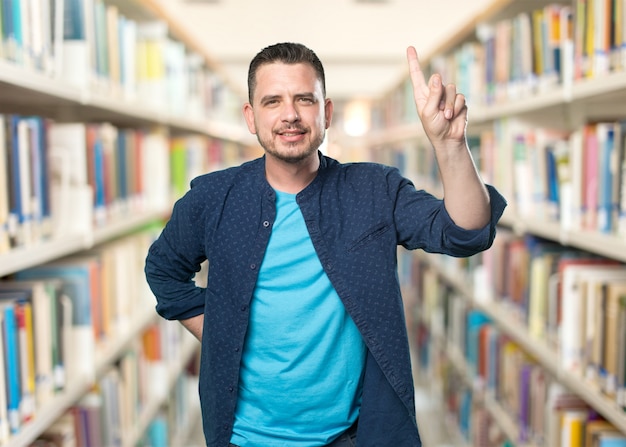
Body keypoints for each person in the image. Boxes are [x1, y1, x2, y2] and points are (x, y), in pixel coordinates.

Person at [144, 42, 506, 447]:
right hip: (243, 438)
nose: (290, 115)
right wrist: (218, 332)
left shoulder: (374, 189)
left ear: (326, 112)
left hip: (351, 436)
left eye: (304, 99)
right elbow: (163, 270)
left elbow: (465, 232)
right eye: (272, 101)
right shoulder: (213, 198)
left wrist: (450, 145)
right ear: (250, 116)